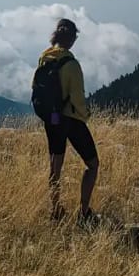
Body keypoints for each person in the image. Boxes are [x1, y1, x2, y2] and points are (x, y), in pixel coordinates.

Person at [35, 17, 99, 225]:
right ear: (72, 39)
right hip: (70, 119)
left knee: (55, 165)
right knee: (92, 164)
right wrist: (85, 115)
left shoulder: (44, 58)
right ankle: (84, 212)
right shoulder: (71, 64)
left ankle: (55, 210)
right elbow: (77, 98)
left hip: (51, 118)